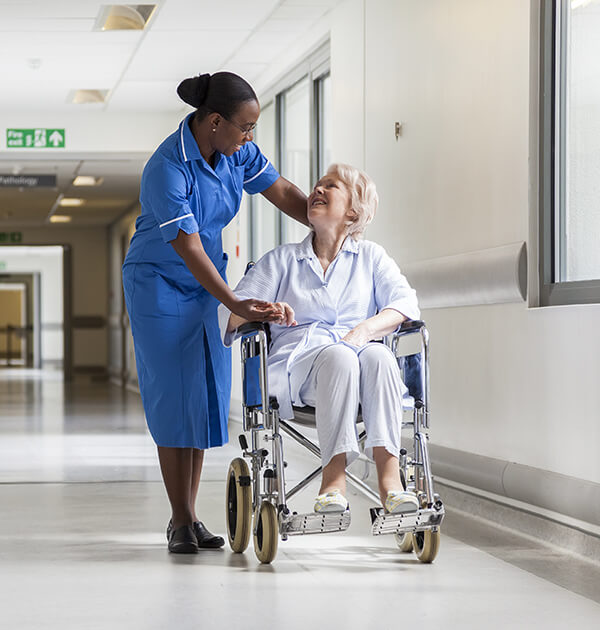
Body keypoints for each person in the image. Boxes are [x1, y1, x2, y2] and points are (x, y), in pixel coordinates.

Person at [123, 72, 307, 554]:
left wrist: (325, 218)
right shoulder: (167, 166)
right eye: (245, 127)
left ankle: (191, 517)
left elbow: (280, 189)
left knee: (204, 392)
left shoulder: (234, 152)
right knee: (172, 394)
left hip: (209, 283)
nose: (251, 137)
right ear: (215, 122)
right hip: (159, 282)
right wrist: (233, 301)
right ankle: (179, 519)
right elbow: (186, 246)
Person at [218, 164, 421, 515]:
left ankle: (390, 479)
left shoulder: (371, 257)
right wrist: (263, 311)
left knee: (379, 357)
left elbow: (405, 306)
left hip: (363, 365)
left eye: (331, 186)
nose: (318, 190)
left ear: (353, 211)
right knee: (340, 357)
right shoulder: (282, 260)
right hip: (302, 372)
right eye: (317, 185)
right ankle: (333, 479)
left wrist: (363, 332)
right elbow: (230, 315)